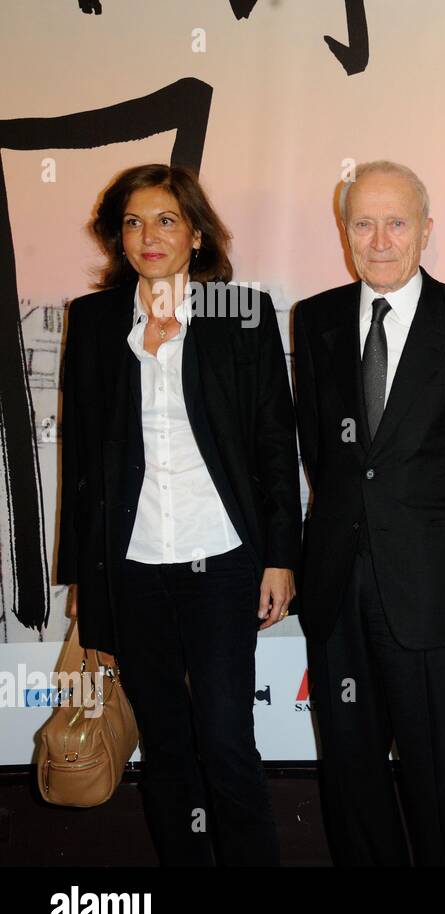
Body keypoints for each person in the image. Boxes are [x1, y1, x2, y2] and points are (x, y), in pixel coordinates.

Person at [56, 163, 299, 865]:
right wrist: (85, 578)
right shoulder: (99, 320)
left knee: (224, 736)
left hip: (219, 559)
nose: (148, 236)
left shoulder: (241, 314)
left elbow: (273, 447)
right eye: (132, 222)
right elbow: (83, 462)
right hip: (132, 568)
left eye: (165, 220)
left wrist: (281, 554)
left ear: (195, 232)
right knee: (163, 744)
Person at [294, 160, 445, 866]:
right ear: (344, 231)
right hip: (335, 591)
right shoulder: (317, 318)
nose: (380, 239)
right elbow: (317, 448)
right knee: (352, 784)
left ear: (425, 230)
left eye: (396, 222)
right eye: (363, 223)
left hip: (432, 594)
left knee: (440, 779)